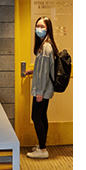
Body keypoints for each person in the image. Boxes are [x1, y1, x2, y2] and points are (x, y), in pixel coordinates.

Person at [25, 16, 59, 159]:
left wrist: (39, 92)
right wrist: (33, 70)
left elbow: (45, 73)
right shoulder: (46, 44)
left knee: (36, 116)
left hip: (42, 90)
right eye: (37, 26)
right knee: (42, 116)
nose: (39, 29)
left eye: (42, 27)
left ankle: (43, 150)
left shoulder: (46, 46)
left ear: (48, 28)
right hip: (44, 90)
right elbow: (44, 68)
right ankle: (42, 144)